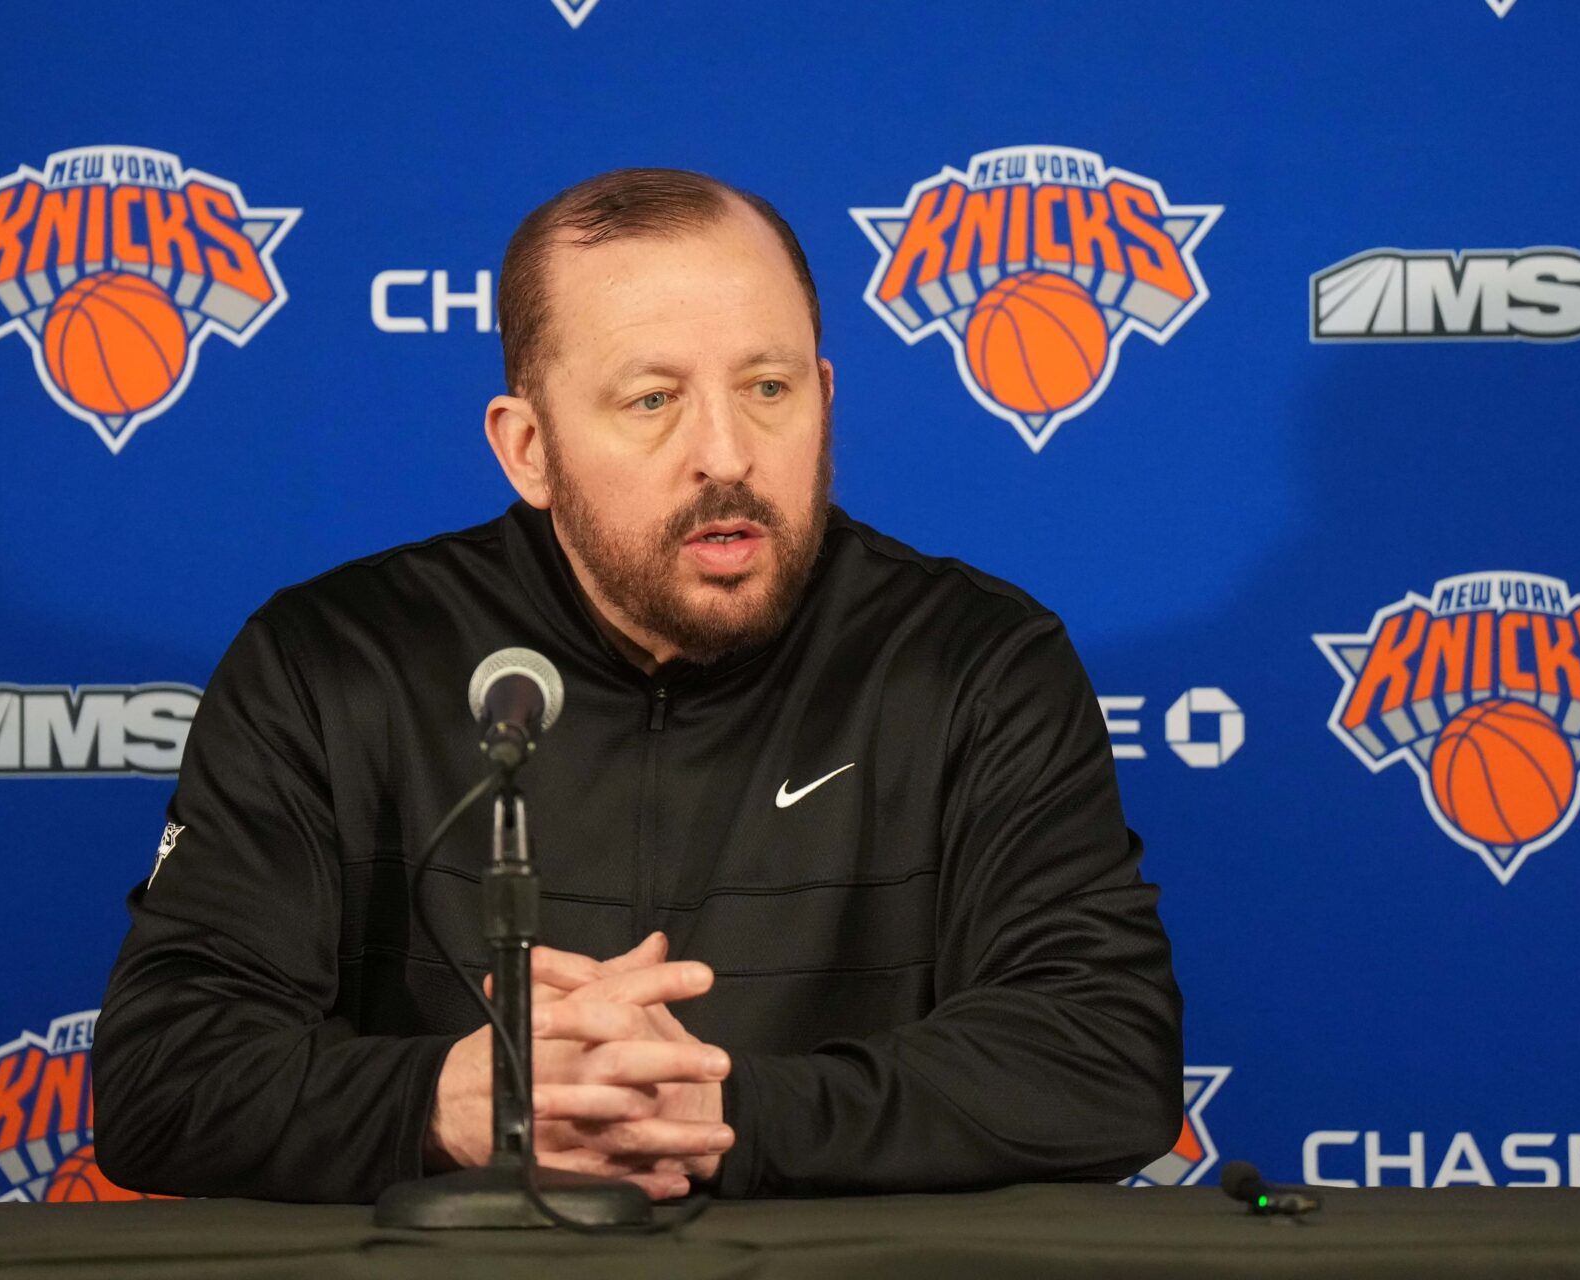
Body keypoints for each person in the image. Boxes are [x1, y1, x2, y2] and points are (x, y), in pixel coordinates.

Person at [92, 168, 1183, 1204]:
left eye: (769, 386)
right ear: (529, 448)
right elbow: (164, 1074)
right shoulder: (334, 662)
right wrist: (452, 1103)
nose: (727, 453)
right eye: (653, 398)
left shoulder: (974, 662)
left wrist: (723, 1111)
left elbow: (1102, 1051)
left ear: (827, 396)